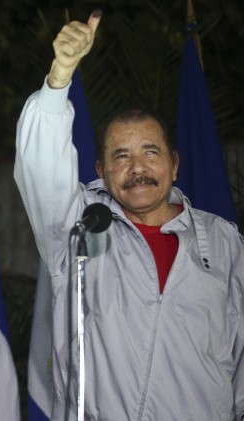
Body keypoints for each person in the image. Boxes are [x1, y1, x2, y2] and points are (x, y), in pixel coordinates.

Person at [14, 10, 244, 421]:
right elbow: (40, 167)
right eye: (121, 156)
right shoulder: (78, 228)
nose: (137, 168)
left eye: (150, 152)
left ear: (174, 165)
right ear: (101, 172)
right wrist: (59, 78)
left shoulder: (223, 240)